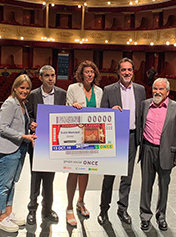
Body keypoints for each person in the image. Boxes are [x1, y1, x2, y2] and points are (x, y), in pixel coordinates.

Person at [97, 58, 146, 225]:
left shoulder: (140, 90)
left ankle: (122, 209)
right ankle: (104, 210)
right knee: (109, 176)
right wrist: (110, 112)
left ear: (133, 72)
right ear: (118, 72)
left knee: (127, 176)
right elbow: (101, 113)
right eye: (123, 70)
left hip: (132, 137)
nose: (127, 73)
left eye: (130, 70)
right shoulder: (109, 89)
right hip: (114, 138)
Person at [139, 78, 176, 231]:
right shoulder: (145, 104)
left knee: (163, 186)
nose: (157, 92)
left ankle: (161, 216)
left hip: (166, 152)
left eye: (161, 89)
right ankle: (145, 216)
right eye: (155, 89)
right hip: (147, 149)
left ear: (167, 92)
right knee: (146, 185)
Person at [0, 74, 37, 233]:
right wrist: (23, 136)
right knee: (4, 184)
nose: (25, 91)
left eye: (27, 88)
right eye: (22, 88)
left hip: (19, 149)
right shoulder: (9, 103)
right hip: (7, 150)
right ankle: (1, 216)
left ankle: (9, 212)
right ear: (15, 88)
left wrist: (30, 125)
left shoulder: (22, 104)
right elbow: (3, 128)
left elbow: (20, 125)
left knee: (12, 183)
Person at [25, 65, 66, 225]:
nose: (50, 78)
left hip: (55, 144)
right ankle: (32, 210)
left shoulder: (62, 94)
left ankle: (47, 210)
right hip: (38, 143)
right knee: (35, 179)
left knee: (49, 180)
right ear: (40, 78)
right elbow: (28, 115)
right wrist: (32, 123)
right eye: (47, 76)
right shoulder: (33, 95)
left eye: (53, 75)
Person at [65, 60, 103, 227]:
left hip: (92, 137)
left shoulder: (100, 91)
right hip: (75, 136)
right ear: (81, 74)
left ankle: (81, 201)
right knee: (73, 171)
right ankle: (68, 207)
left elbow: (103, 113)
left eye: (92, 72)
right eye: (86, 72)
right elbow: (65, 112)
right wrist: (73, 107)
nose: (89, 74)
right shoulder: (73, 88)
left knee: (86, 170)